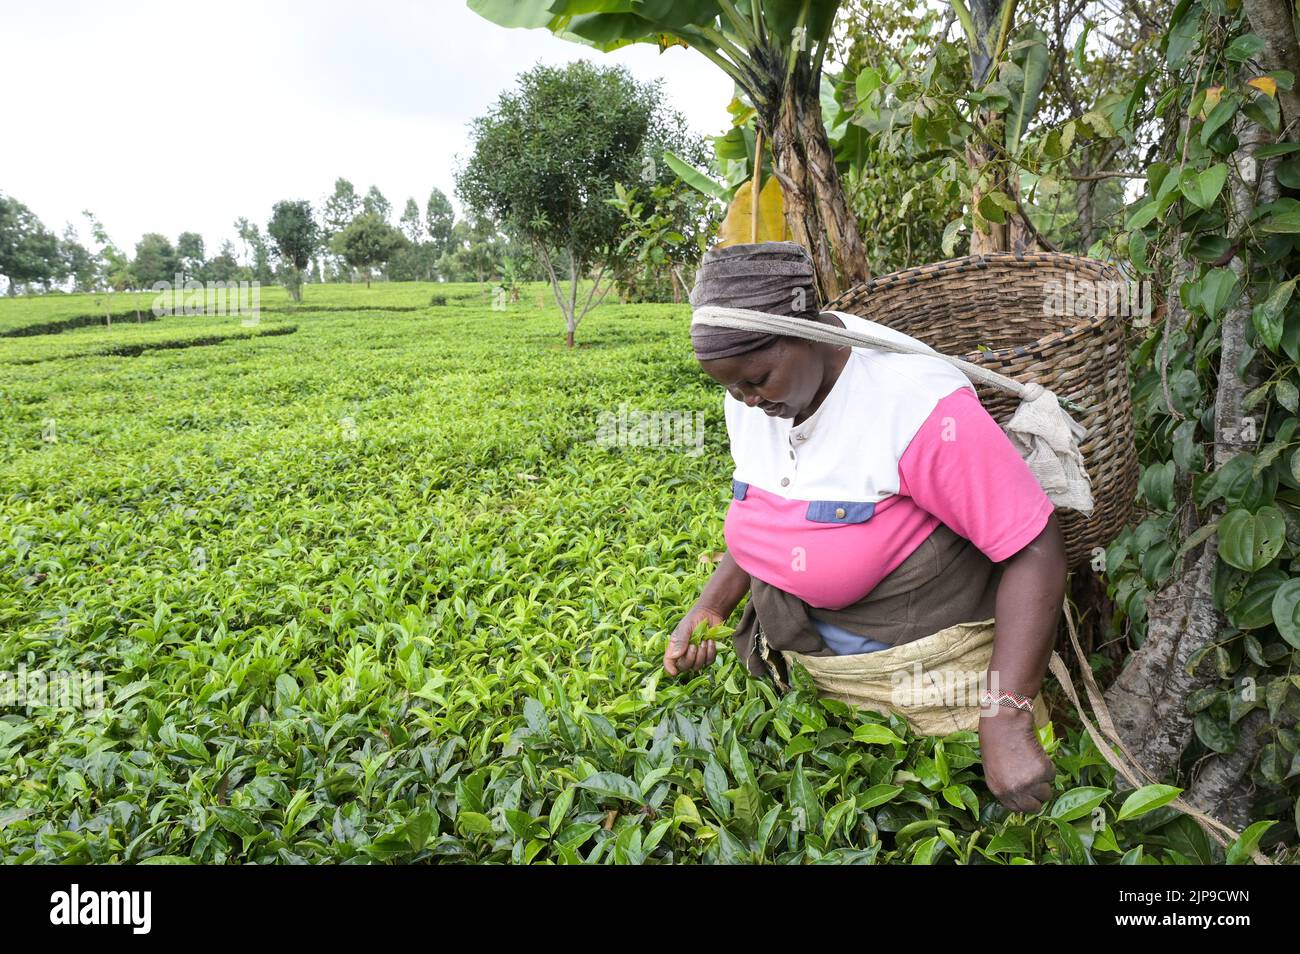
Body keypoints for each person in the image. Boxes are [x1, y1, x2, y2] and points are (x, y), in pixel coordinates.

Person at [663, 241, 1066, 815]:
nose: (748, 402)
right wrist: (710, 608)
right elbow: (769, 504)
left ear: (808, 332)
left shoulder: (916, 406)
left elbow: (1034, 549)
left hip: (921, 673)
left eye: (757, 380)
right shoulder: (757, 399)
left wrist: (1005, 718)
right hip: (811, 667)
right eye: (731, 390)